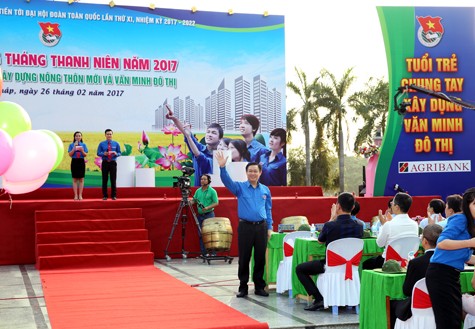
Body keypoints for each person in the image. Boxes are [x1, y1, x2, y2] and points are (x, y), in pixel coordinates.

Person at [216, 150, 272, 298]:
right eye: (250, 171)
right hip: (245, 227)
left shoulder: (265, 190)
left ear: (260, 173)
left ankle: (259, 286)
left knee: (260, 258)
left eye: (255, 171)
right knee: (244, 257)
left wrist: (270, 227)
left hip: (261, 227)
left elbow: (268, 209)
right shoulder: (239, 188)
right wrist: (222, 168)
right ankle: (243, 287)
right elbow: (227, 181)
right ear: (246, 173)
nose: (253, 173)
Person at [296, 192, 363, 311]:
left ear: (338, 206)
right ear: (353, 207)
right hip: (351, 266)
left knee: (300, 269)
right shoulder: (359, 226)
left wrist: (332, 218)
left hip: (331, 265)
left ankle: (319, 299)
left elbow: (320, 241)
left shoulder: (330, 225)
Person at [425, 188, 475, 329]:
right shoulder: (460, 218)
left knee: (453, 320)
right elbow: (441, 243)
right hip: (440, 274)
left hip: (451, 274)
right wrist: (470, 242)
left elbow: (465, 256)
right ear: (466, 205)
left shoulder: (471, 224)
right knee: (447, 321)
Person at [389, 224, 442, 328]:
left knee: (392, 303)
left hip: (419, 307)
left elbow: (407, 291)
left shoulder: (416, 263)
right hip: (444, 305)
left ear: (425, 241)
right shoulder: (449, 261)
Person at [166, 109, 222, 186]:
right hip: (198, 193)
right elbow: (186, 133)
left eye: (214, 133)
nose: (209, 135)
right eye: (208, 132)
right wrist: (174, 118)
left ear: (220, 138)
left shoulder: (221, 157)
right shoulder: (198, 147)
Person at [362, 192, 419, 270]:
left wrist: (383, 225)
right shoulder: (415, 225)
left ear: (397, 207)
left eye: (393, 203)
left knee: (366, 264)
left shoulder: (389, 224)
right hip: (408, 261)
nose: (391, 204)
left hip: (389, 262)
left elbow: (380, 244)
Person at [191, 174, 219, 256]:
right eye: (201, 179)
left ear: (208, 181)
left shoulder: (212, 191)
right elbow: (194, 200)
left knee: (211, 234)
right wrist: (189, 202)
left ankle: (213, 253)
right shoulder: (198, 191)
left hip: (209, 214)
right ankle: (204, 253)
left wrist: (207, 208)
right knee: (201, 234)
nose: (202, 181)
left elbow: (216, 203)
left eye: (204, 179)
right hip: (200, 215)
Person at [97, 129, 121, 200]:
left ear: (112, 135)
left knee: (113, 179)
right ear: (105, 135)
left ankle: (113, 195)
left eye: (110, 134)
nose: (109, 135)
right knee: (104, 179)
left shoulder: (116, 144)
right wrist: (103, 153)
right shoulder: (101, 144)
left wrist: (116, 154)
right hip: (105, 162)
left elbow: (120, 153)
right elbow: (98, 153)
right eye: (107, 134)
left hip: (113, 163)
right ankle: (105, 195)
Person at [67, 131, 88, 200]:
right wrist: (74, 148)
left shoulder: (84, 145)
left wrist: (82, 151)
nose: (78, 137)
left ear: (81, 137)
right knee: (75, 179)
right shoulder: (71, 145)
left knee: (81, 179)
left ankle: (80, 195)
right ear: (74, 137)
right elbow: (70, 154)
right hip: (74, 161)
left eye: (79, 136)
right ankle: (75, 195)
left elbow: (85, 154)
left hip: (81, 161)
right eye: (76, 136)